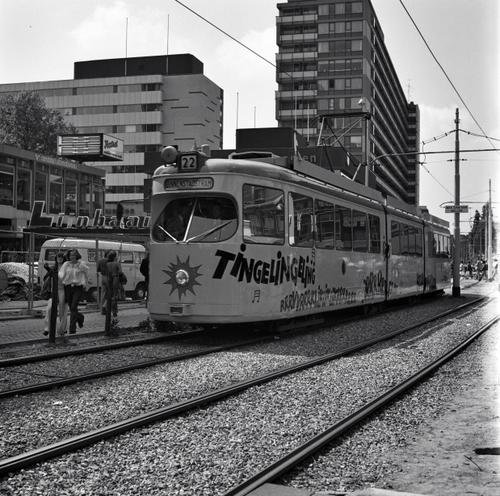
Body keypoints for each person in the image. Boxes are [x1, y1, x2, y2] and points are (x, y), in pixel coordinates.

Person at [59, 249, 88, 334]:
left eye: (74, 255)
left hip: (78, 287)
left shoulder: (81, 264)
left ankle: (72, 329)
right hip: (68, 287)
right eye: (70, 255)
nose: (72, 257)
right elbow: (61, 274)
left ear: (77, 256)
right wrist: (59, 278)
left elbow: (86, 273)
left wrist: (85, 284)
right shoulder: (66, 264)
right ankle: (80, 317)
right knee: (72, 308)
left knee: (73, 306)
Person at [43, 252, 69, 336]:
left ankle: (62, 329)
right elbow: (49, 275)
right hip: (54, 290)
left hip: (63, 290)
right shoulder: (54, 268)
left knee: (62, 310)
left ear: (63, 259)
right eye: (58, 257)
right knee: (49, 308)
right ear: (56, 258)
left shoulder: (66, 268)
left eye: (61, 257)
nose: (59, 258)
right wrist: (47, 268)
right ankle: (47, 328)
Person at [104, 250, 124, 317]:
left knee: (109, 295)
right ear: (115, 257)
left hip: (108, 279)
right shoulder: (117, 263)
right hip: (115, 278)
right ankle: (114, 311)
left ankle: (108, 309)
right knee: (115, 296)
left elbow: (105, 272)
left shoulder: (107, 264)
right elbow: (120, 272)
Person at [97, 250, 111, 314]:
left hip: (103, 277)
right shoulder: (110, 260)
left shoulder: (100, 261)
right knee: (110, 293)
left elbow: (98, 269)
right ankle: (105, 306)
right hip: (109, 277)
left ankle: (102, 310)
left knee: (103, 294)